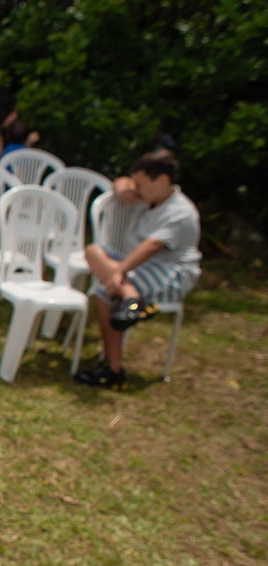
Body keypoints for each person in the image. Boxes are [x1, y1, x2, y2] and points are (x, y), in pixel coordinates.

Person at [74, 150, 201, 388]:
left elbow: (151, 246)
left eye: (141, 185)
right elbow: (123, 182)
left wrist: (118, 273)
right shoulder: (154, 197)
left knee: (106, 294)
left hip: (171, 272)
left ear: (162, 180)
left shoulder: (180, 213)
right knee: (93, 250)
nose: (137, 190)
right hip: (143, 266)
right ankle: (132, 298)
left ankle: (113, 369)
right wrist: (122, 186)